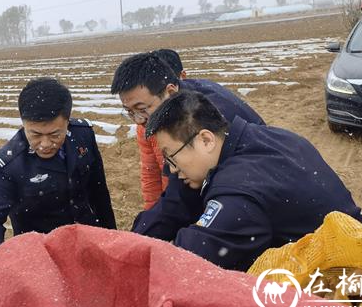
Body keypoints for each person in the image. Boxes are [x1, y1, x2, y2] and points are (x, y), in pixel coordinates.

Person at [132, 91, 362, 271]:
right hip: (359, 243)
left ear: (206, 140)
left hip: (346, 285)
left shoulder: (236, 190)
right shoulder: (271, 137)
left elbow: (191, 255)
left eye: (171, 157)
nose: (172, 170)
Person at [0, 78, 116, 251]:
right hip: (44, 252)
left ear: (67, 122)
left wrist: (111, 240)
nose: (45, 144)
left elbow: (99, 193)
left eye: (54, 134)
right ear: (23, 124)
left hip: (88, 238)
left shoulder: (83, 136)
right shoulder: (8, 165)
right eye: (35, 134)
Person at [110, 51, 265, 209]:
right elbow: (161, 180)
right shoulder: (165, 113)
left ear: (170, 92)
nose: (139, 121)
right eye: (130, 112)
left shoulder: (204, 115)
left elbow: (227, 193)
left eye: (142, 109)